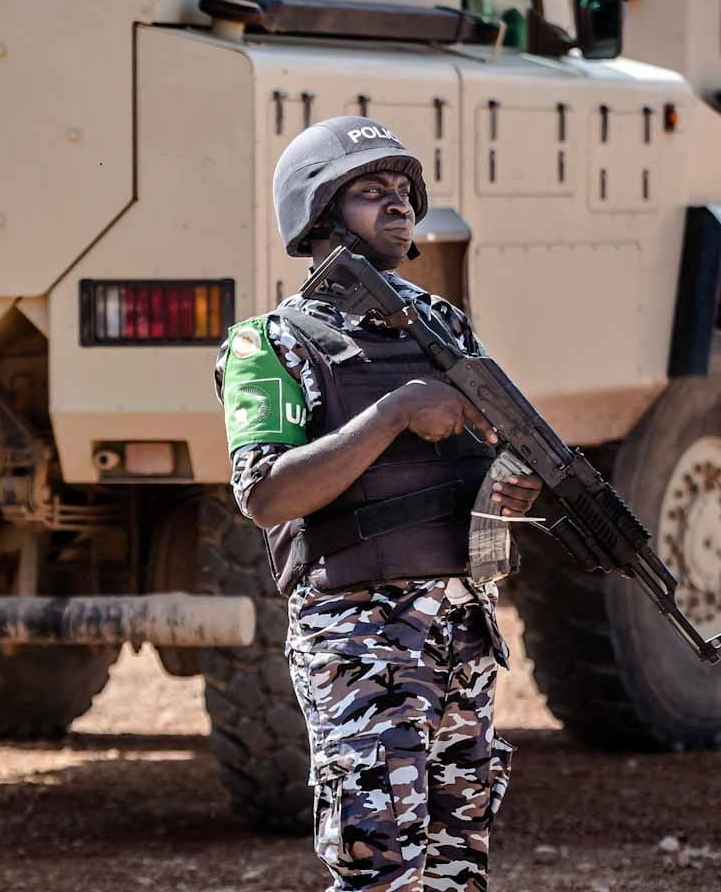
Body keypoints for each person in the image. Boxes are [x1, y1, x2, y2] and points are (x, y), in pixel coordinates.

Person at [212, 117, 543, 892]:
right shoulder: (269, 343)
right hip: (360, 639)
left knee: (458, 868)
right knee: (379, 867)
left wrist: (509, 489)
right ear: (319, 216)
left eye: (403, 190)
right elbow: (266, 494)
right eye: (370, 191)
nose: (398, 204)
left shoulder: (443, 327)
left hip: (461, 630)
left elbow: (483, 467)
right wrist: (393, 412)